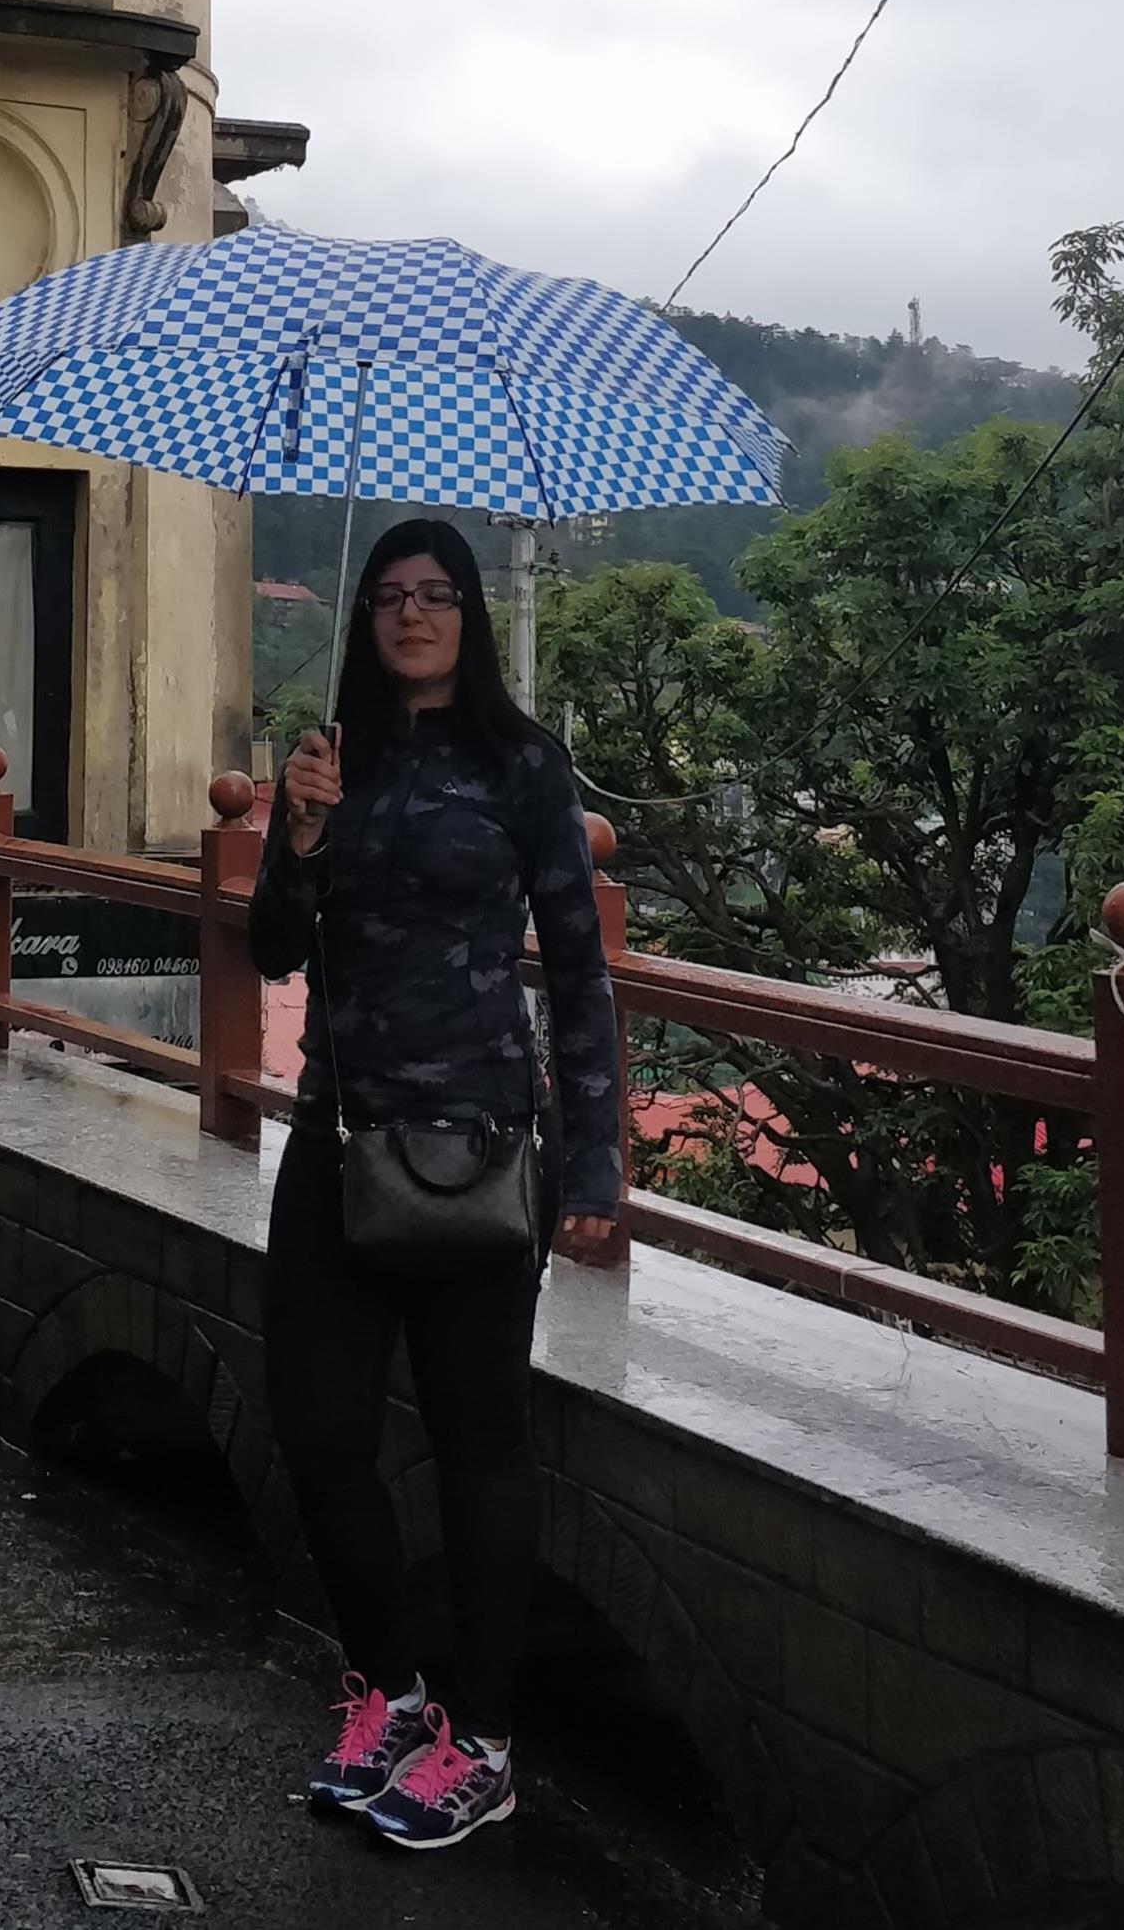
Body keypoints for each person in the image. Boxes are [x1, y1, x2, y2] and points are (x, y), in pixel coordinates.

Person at [251, 513, 622, 1853]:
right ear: (366, 616)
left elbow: (578, 971)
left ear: (471, 616)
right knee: (320, 1424)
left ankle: (487, 1734)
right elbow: (269, 951)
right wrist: (296, 833)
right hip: (337, 1135)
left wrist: (593, 1155)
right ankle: (390, 1688)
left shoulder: (523, 766)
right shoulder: (330, 759)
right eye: (390, 594)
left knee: (479, 1444)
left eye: (437, 594)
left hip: (474, 1141)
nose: (411, 614)